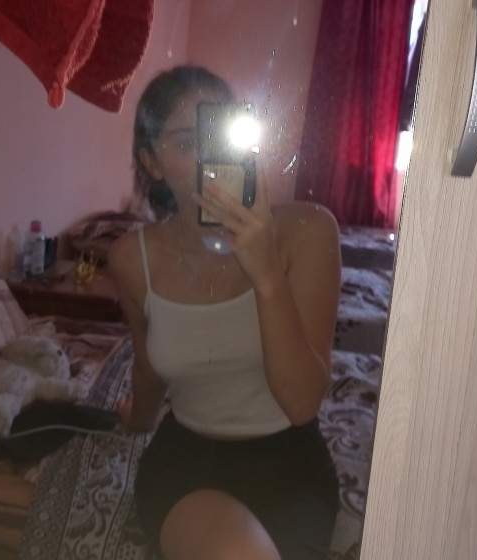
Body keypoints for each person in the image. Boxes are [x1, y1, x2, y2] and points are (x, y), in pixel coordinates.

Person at [109, 64, 341, 560]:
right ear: (152, 162)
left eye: (218, 136)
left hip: (290, 466)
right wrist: (136, 420)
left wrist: (266, 272)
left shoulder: (308, 231)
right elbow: (148, 368)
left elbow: (302, 404)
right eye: (186, 143)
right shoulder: (132, 258)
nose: (207, 160)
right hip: (187, 463)